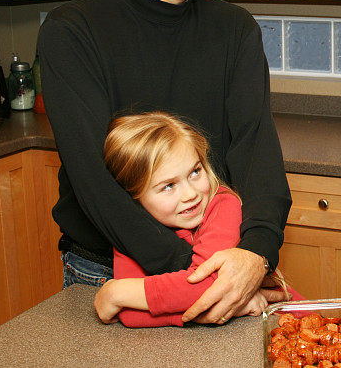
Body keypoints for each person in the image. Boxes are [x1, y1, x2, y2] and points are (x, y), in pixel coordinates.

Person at [38, 0, 291, 325]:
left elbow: (257, 153)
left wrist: (255, 256)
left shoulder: (236, 30)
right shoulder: (72, 31)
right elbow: (94, 184)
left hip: (225, 264)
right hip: (111, 279)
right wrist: (193, 277)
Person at [93, 112, 301, 327]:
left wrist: (117, 292)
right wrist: (201, 315)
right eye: (169, 186)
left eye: (194, 172)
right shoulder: (132, 228)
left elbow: (209, 286)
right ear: (134, 196)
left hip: (290, 326)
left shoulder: (222, 204)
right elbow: (130, 315)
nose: (190, 194)